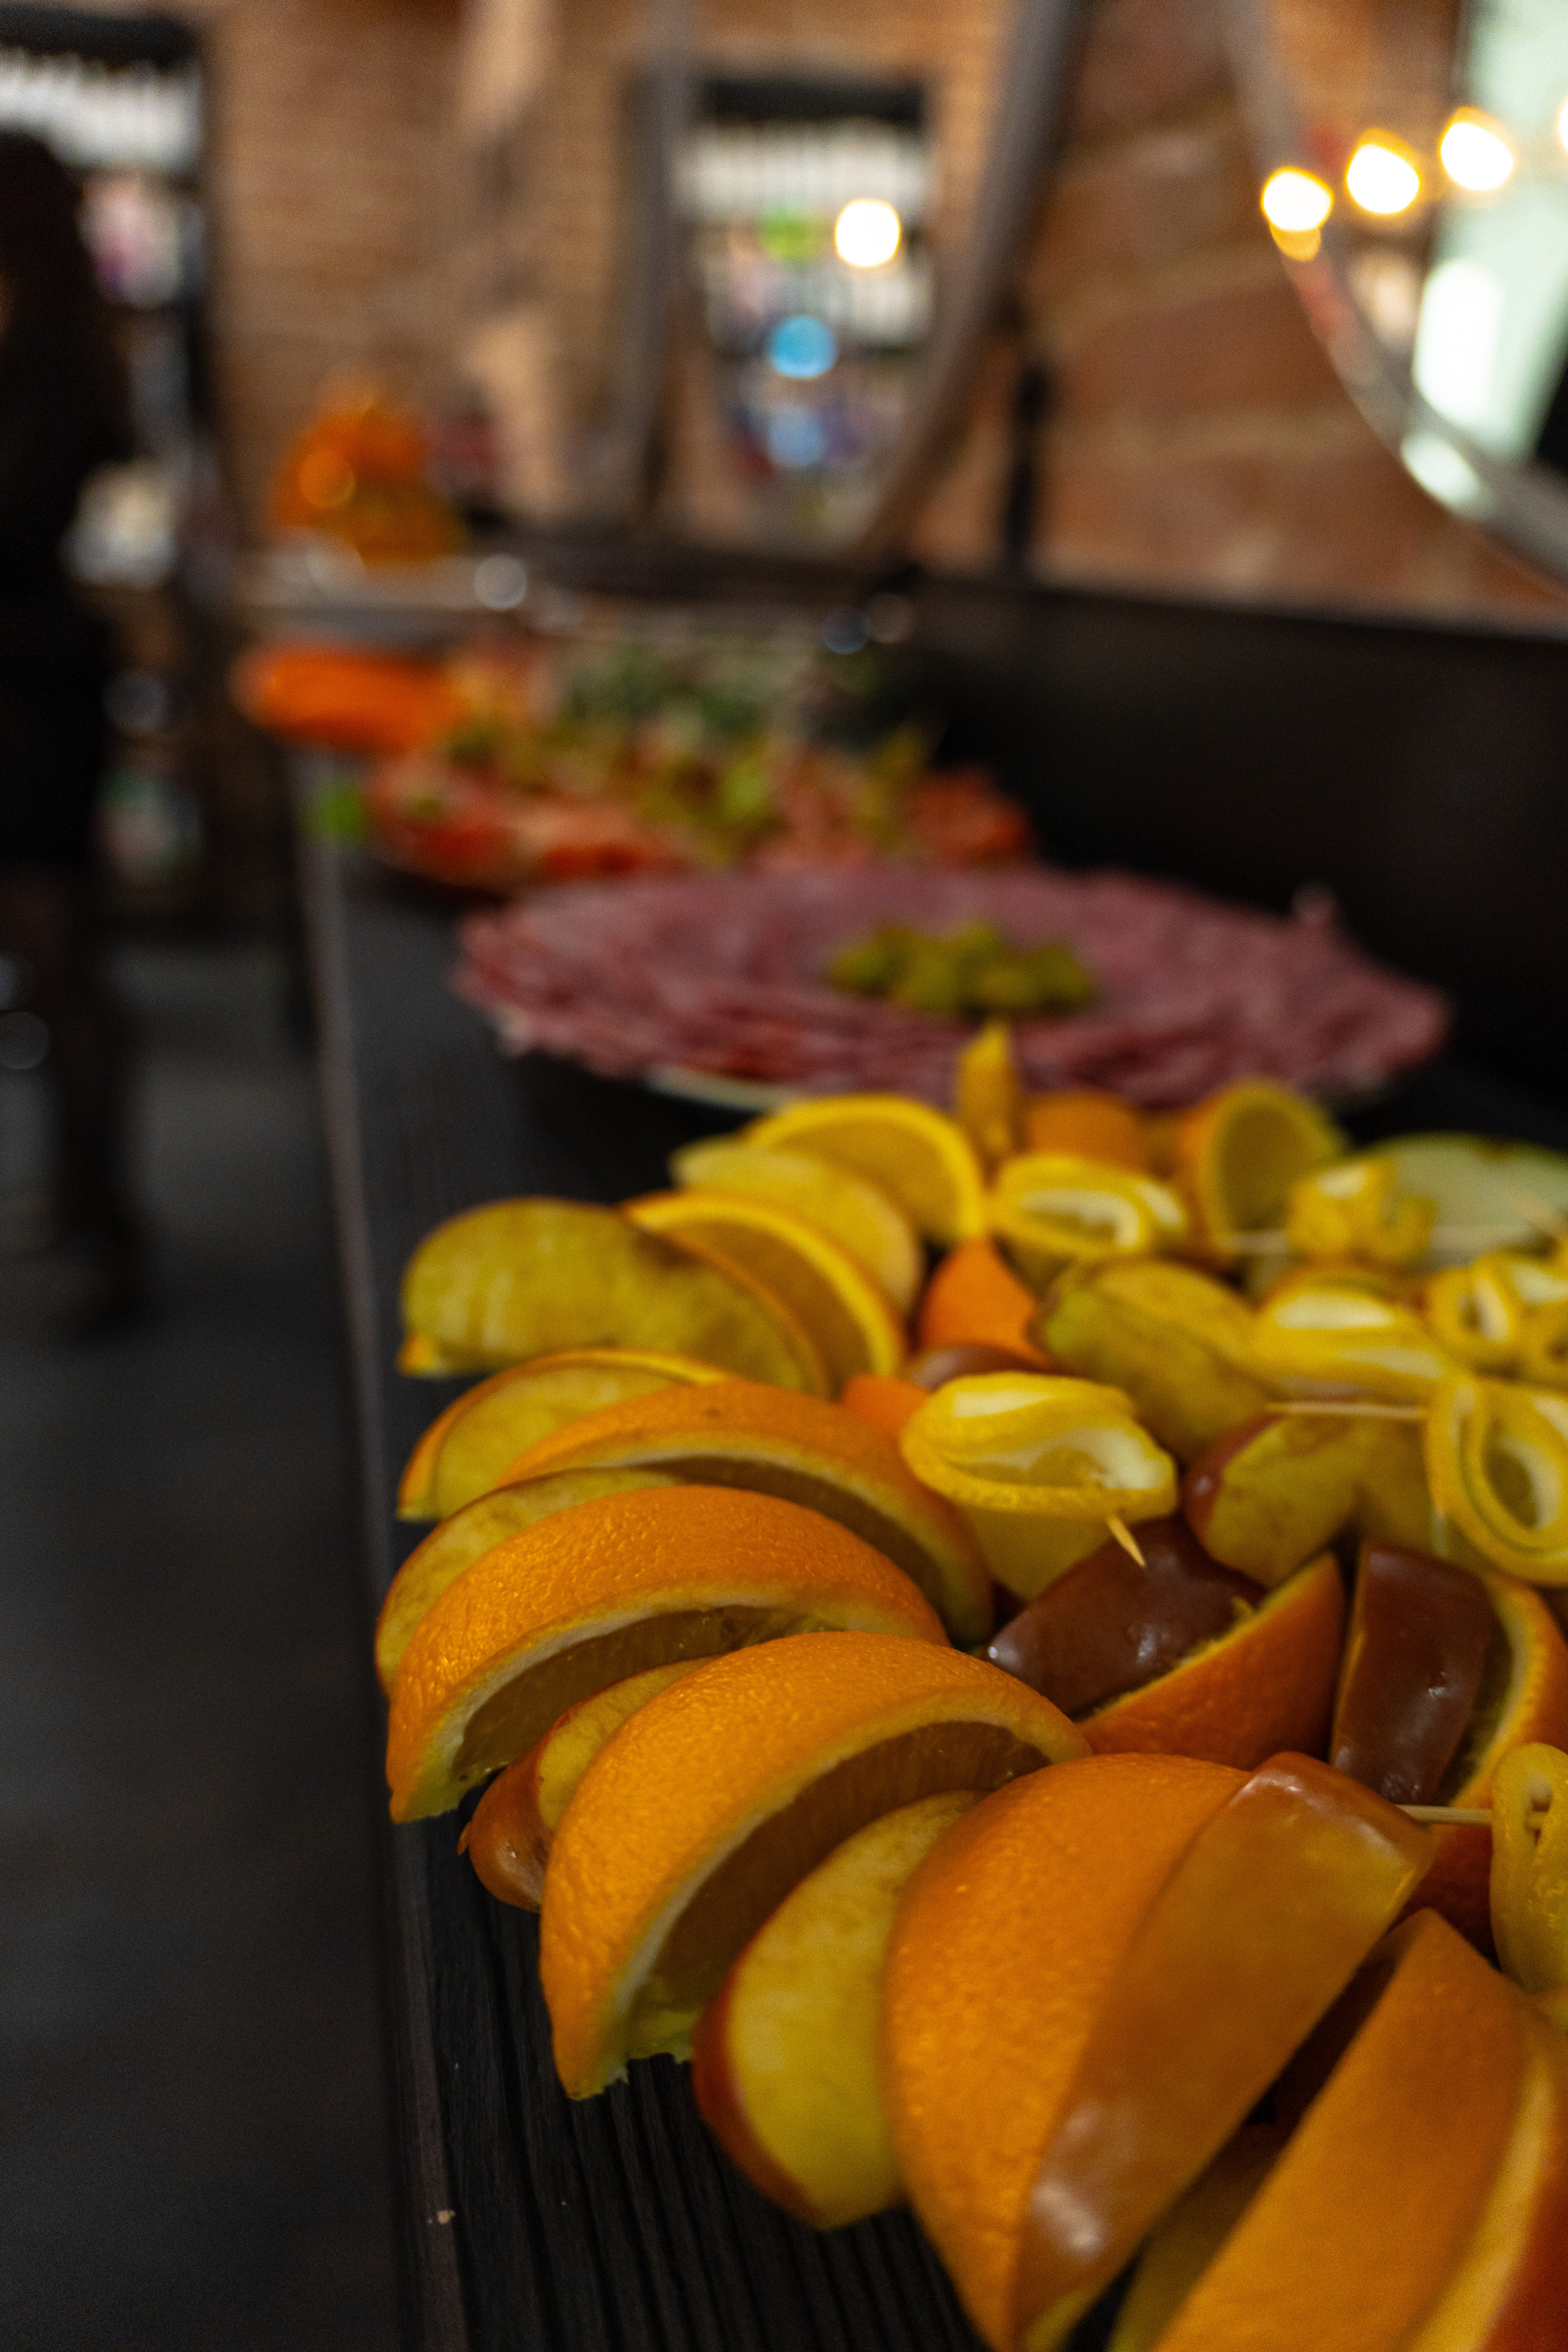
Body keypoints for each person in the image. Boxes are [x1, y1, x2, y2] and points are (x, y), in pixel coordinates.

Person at [0, 130, 141, 1325]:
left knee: (63, 960)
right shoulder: (54, 339)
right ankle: (78, 1199)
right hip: (34, 676)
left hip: (30, 689)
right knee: (55, 966)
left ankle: (110, 1240)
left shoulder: (45, 352)